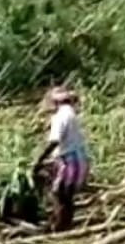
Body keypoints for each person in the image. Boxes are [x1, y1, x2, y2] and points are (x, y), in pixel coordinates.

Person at [32, 86, 89, 232]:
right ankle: (64, 225)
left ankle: (59, 227)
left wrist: (39, 160)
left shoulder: (59, 117)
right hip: (80, 160)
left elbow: (54, 141)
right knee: (67, 196)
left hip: (70, 162)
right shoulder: (71, 113)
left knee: (59, 194)